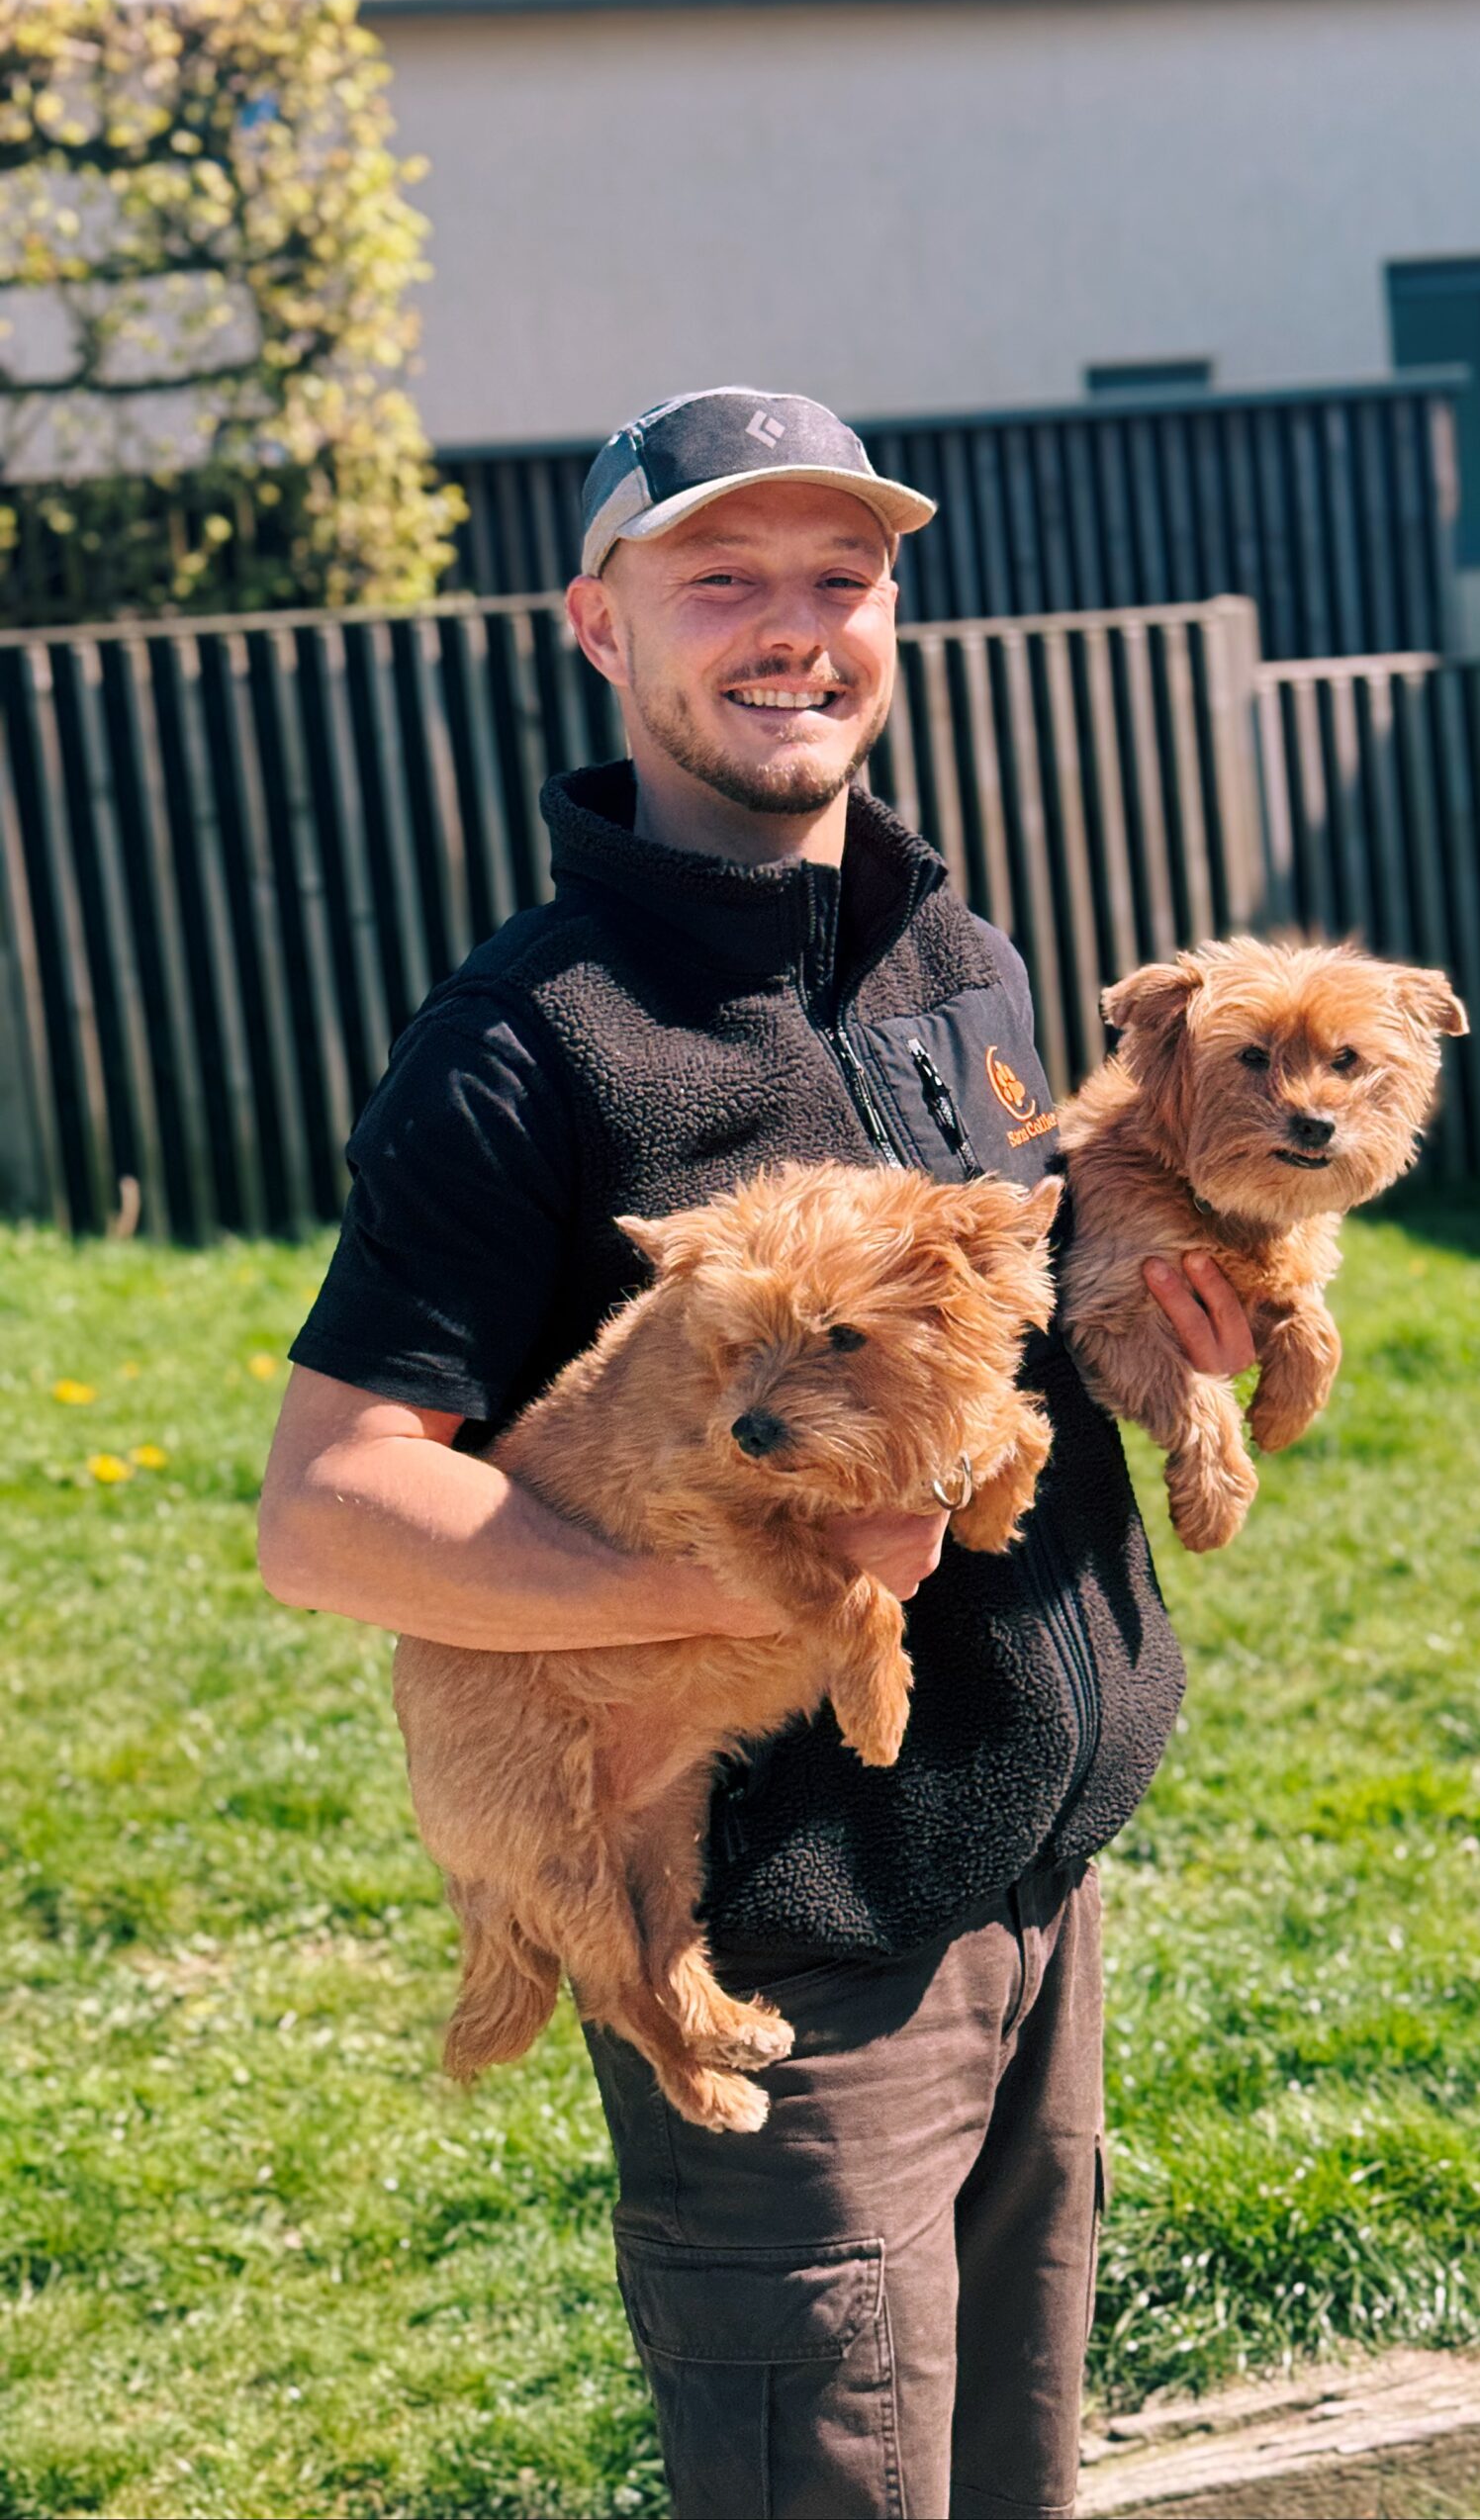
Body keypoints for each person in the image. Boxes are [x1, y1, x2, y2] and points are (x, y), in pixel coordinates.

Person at [258, 387, 1252, 2520]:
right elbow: (329, 1503)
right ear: (597, 627)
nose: (795, 628)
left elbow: (1010, 1338)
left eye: (843, 576)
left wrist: (1186, 1323)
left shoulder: (958, 956)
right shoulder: (530, 1042)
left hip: (1039, 1891)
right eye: (722, 578)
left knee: (1015, 2485)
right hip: (800, 1971)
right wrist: (750, 1588)